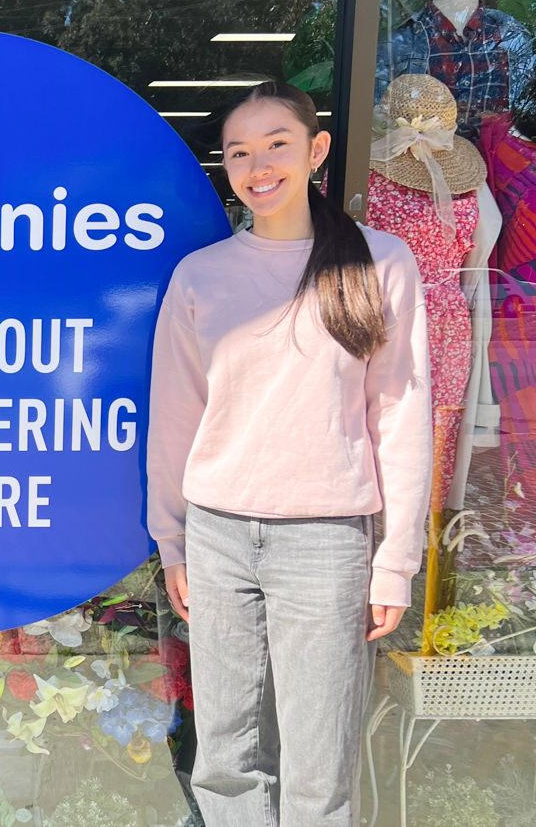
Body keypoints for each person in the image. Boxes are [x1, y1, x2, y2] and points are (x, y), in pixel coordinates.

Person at [147, 80, 432, 827]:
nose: (258, 164)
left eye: (276, 143)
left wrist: (394, 560)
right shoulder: (200, 276)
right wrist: (171, 540)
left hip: (327, 541)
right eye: (239, 152)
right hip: (217, 537)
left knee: (319, 760)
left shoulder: (380, 263)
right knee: (226, 757)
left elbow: (400, 417)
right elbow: (174, 420)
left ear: (316, 150)